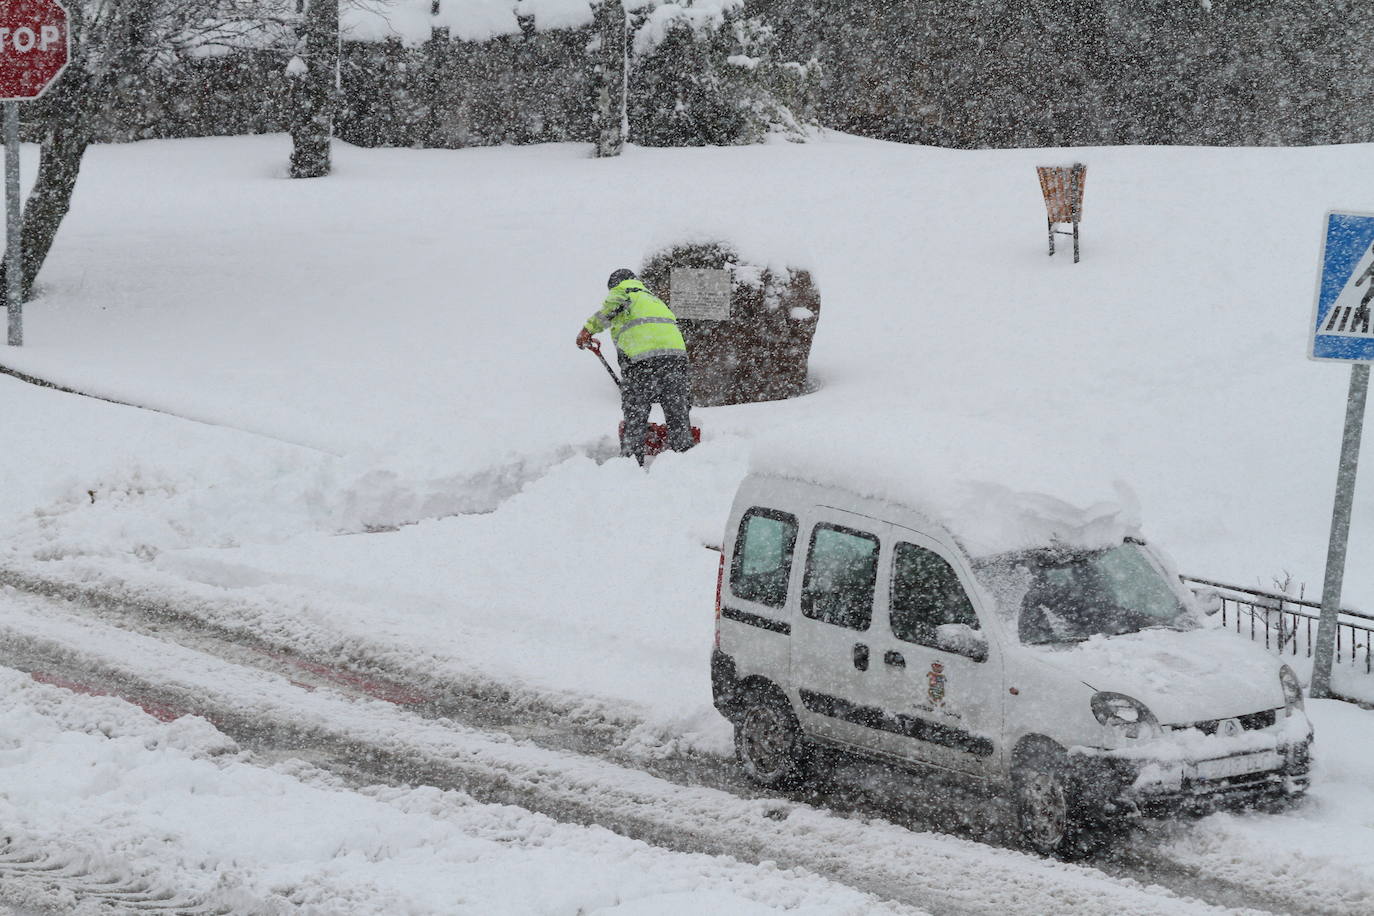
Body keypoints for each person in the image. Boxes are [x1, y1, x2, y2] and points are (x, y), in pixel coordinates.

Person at [576, 269, 694, 464]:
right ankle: (684, 458)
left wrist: (587, 330)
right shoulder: (654, 300)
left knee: (636, 414)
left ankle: (630, 463)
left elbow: (609, 310)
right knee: (677, 412)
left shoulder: (624, 290)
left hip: (643, 362)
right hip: (676, 360)